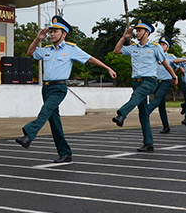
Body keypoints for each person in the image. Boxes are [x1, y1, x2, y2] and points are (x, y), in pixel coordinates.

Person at [16, 16, 117, 162]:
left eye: (55, 31)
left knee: (45, 111)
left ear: (64, 34)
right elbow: (30, 53)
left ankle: (29, 135)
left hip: (59, 88)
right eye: (50, 31)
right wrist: (38, 38)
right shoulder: (46, 50)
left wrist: (107, 68)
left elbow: (89, 58)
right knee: (54, 122)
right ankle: (65, 153)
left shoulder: (71, 49)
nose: (51, 34)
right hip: (46, 88)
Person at [112, 18, 178, 152]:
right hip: (136, 82)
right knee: (143, 113)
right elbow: (117, 51)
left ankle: (121, 114)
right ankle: (148, 143)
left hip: (150, 81)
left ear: (147, 33)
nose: (137, 33)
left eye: (140, 30)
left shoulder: (155, 47)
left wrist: (174, 76)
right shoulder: (133, 48)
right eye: (136, 30)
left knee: (136, 95)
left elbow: (165, 62)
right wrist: (124, 37)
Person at [146, 36, 178, 134]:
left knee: (157, 98)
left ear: (167, 48)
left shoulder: (171, 57)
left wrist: (177, 76)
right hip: (156, 82)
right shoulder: (154, 56)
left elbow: (179, 66)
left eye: (163, 44)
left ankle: (147, 111)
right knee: (161, 105)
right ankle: (166, 126)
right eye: (160, 44)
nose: (161, 46)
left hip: (166, 82)